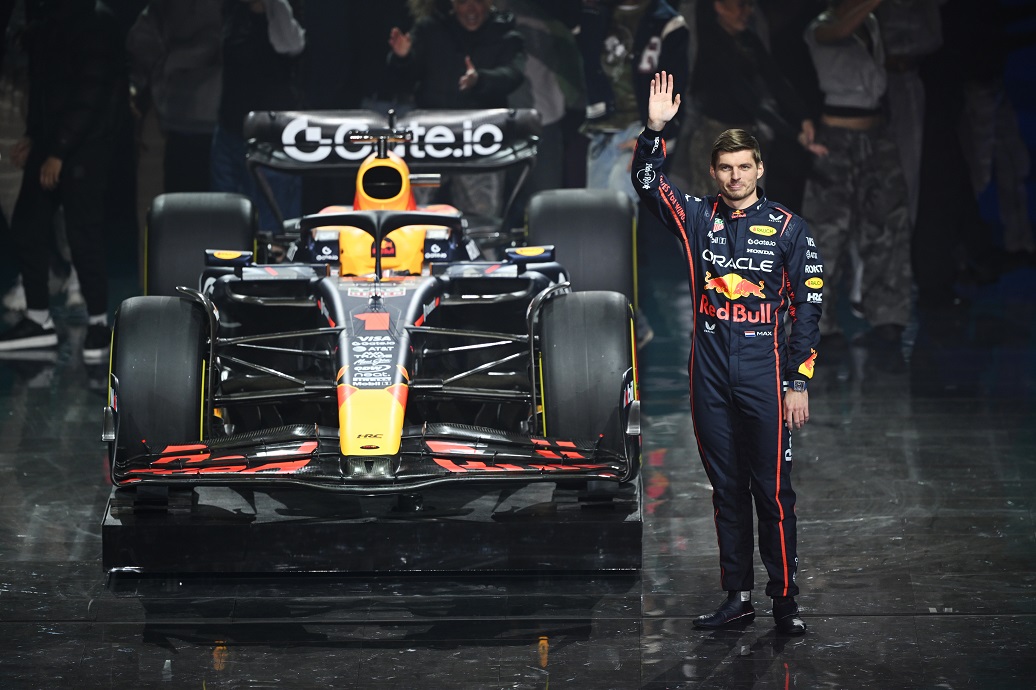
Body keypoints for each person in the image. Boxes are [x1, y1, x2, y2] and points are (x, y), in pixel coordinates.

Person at [632, 71, 823, 635]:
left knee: (774, 494)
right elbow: (647, 184)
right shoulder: (696, 217)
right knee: (727, 491)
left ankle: (785, 604)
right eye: (725, 168)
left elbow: (808, 310)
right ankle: (737, 597)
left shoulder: (791, 229)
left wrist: (798, 381)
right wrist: (653, 130)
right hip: (709, 371)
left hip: (765, 372)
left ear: (760, 169)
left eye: (745, 167)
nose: (735, 176)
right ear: (713, 173)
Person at [0, 0, 128, 360]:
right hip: (52, 142)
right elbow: (44, 85)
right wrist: (33, 135)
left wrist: (58, 149)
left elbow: (91, 91)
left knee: (82, 233)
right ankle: (38, 319)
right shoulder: (50, 19)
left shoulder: (96, 21)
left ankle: (99, 324)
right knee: (28, 223)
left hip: (85, 147)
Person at [799, 0, 911, 356]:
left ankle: (888, 316)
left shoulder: (872, 23)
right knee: (826, 235)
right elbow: (840, 31)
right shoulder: (821, 26)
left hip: (876, 135)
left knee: (887, 227)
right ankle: (819, 325)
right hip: (836, 138)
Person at [387, 0, 526, 219]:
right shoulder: (430, 29)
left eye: (479, 2)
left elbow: (513, 75)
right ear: (452, 3)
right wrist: (402, 58)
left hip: (481, 140)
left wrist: (480, 80)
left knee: (482, 219)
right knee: (409, 215)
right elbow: (404, 78)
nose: (472, 9)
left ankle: (481, 254)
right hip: (429, 139)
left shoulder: (506, 35)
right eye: (463, 2)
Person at [210, 0, 305, 234]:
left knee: (273, 230)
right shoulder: (233, 11)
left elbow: (293, 46)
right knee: (227, 225)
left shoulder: (283, 11)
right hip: (229, 132)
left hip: (271, 139)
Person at [127, 0, 223, 194]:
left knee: (182, 204)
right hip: (212, 117)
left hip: (190, 115)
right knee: (218, 206)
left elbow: (141, 42)